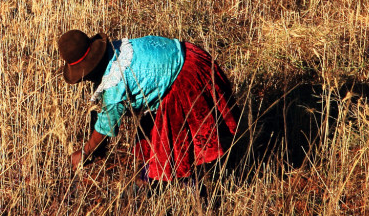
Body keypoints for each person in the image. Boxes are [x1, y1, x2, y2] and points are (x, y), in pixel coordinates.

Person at [58, 29, 238, 184]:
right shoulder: (118, 49)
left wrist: (85, 152)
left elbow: (107, 126)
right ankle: (148, 181)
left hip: (185, 80)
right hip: (192, 53)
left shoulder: (114, 88)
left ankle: (203, 185)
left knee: (181, 145)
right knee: (148, 141)